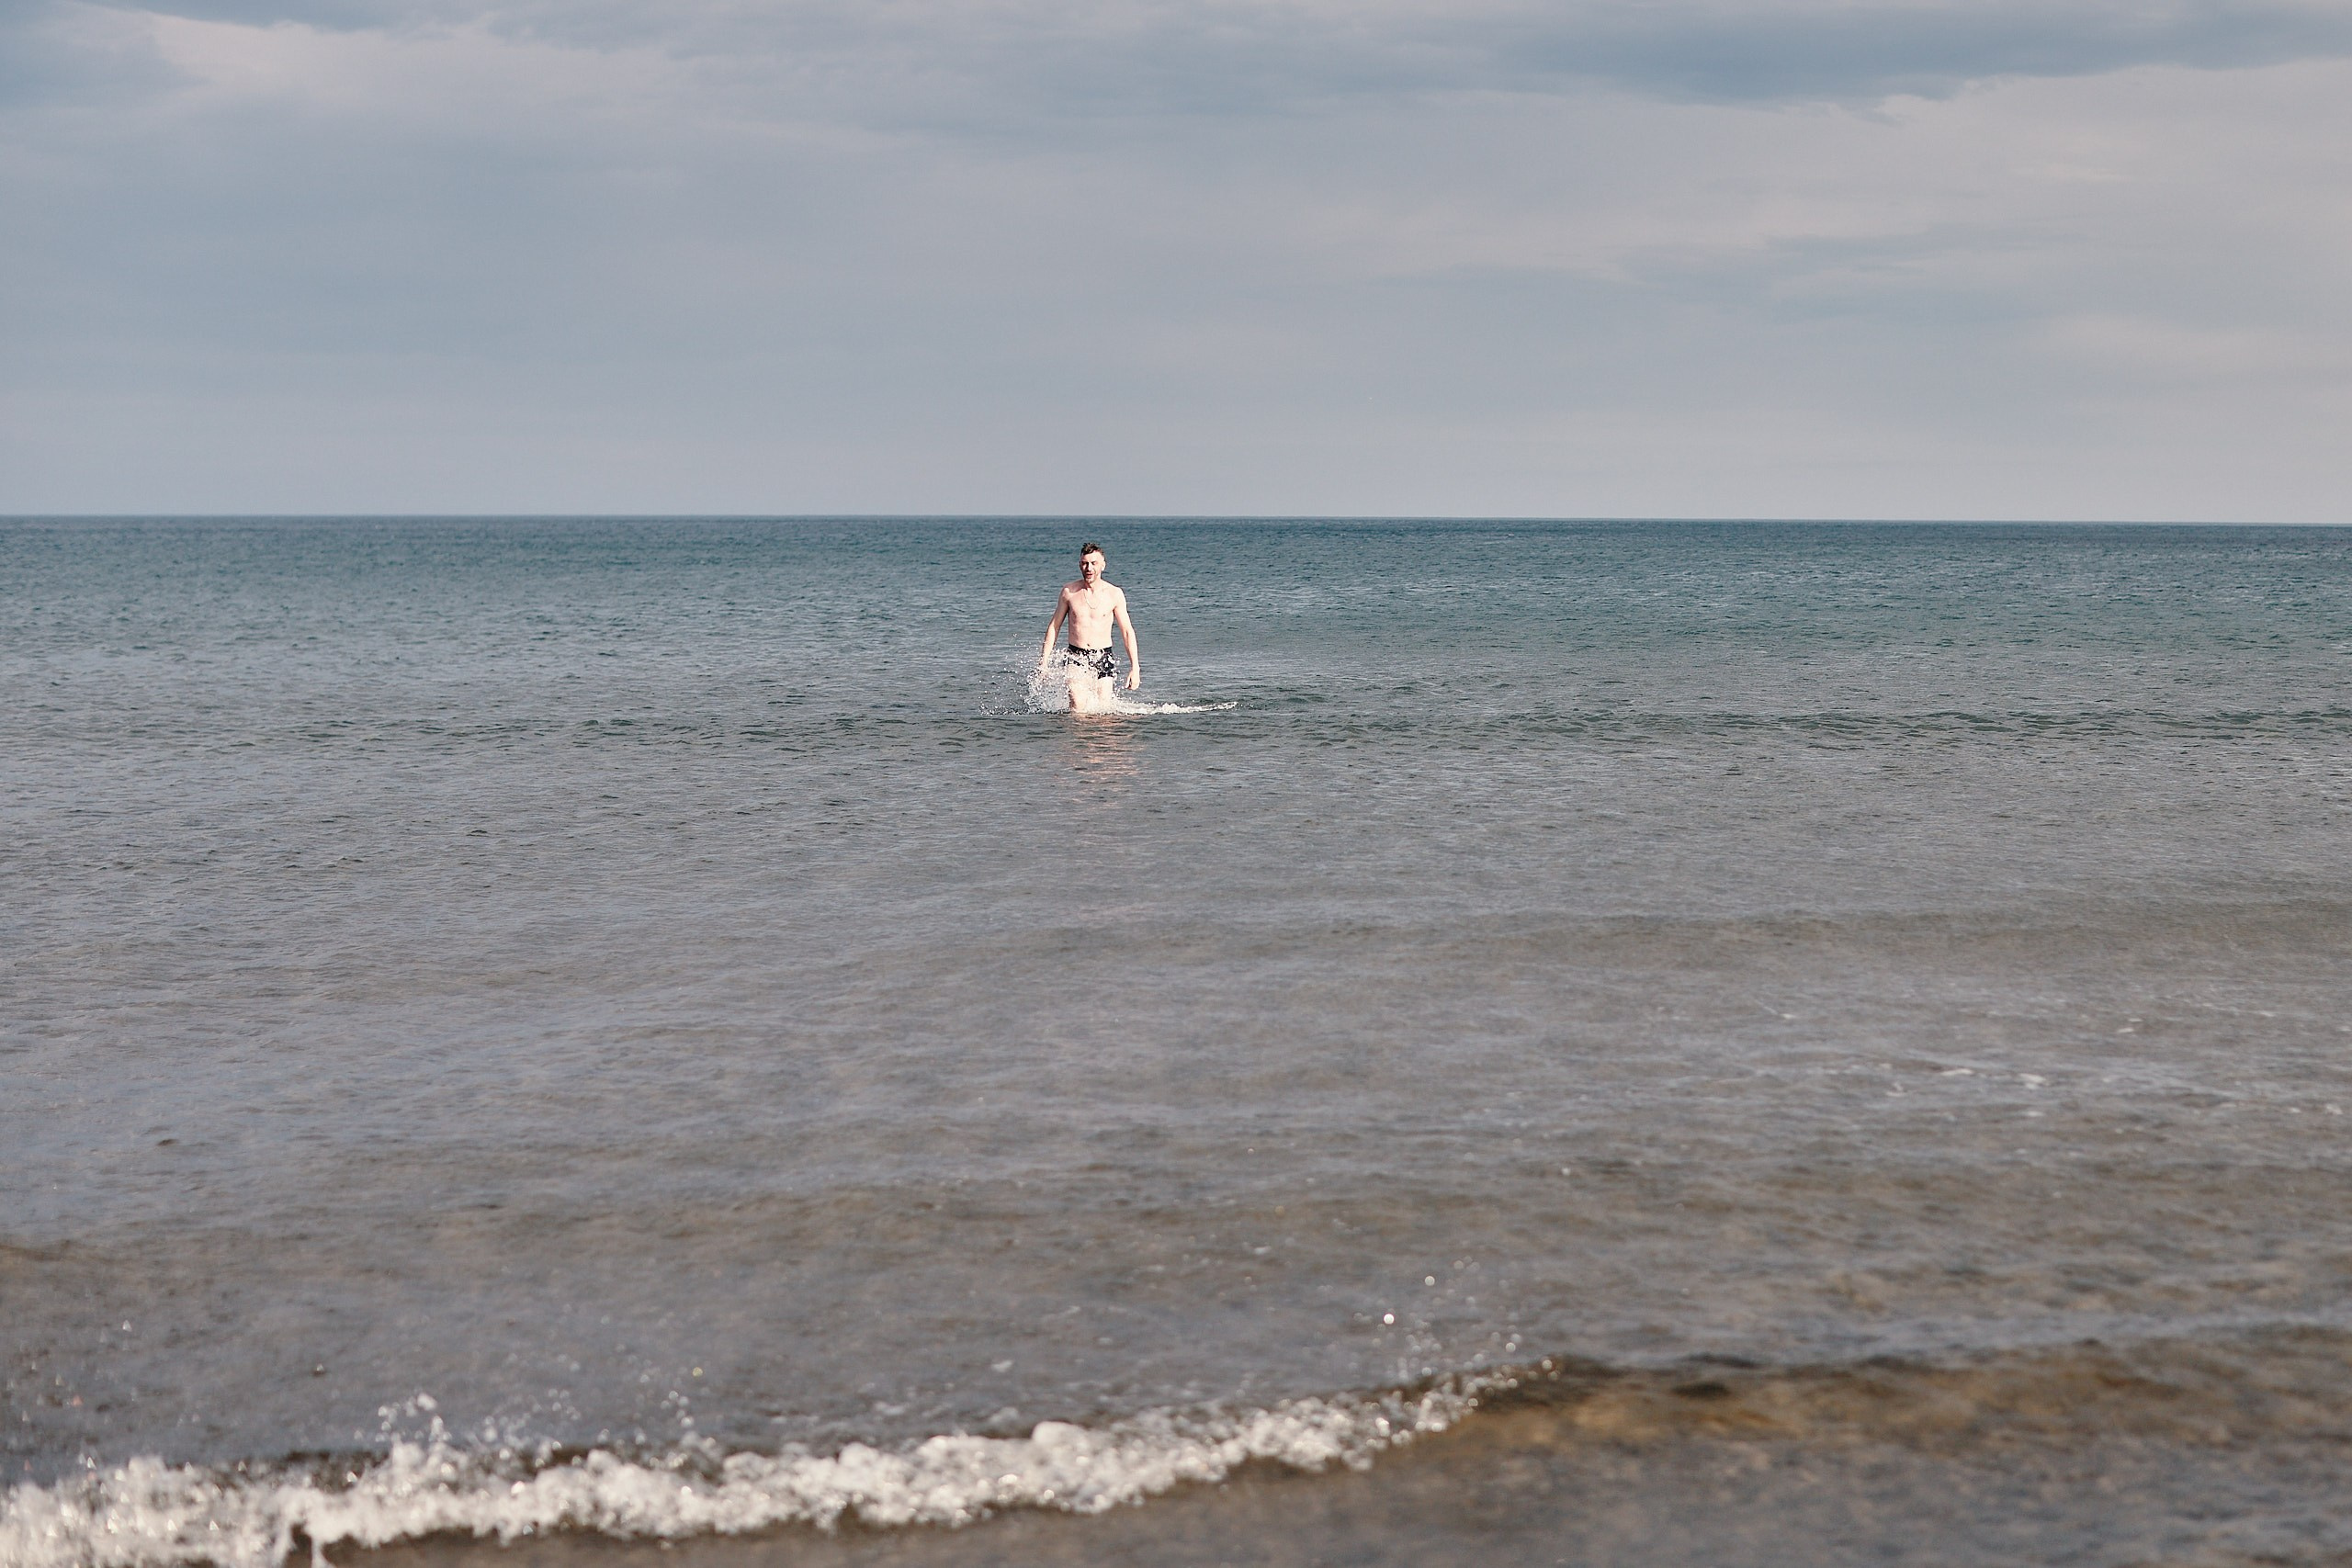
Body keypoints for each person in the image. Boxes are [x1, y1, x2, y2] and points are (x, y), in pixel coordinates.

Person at [1039, 542, 1141, 710]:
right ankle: (1077, 737)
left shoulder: (1114, 594)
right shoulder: (1069, 592)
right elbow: (1054, 627)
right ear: (1080, 565)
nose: (1089, 568)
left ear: (1103, 565)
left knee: (1103, 709)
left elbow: (1127, 631)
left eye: (1093, 563)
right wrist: (1044, 662)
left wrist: (1135, 667)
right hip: (1076, 656)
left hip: (1103, 656)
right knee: (1078, 706)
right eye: (1085, 563)